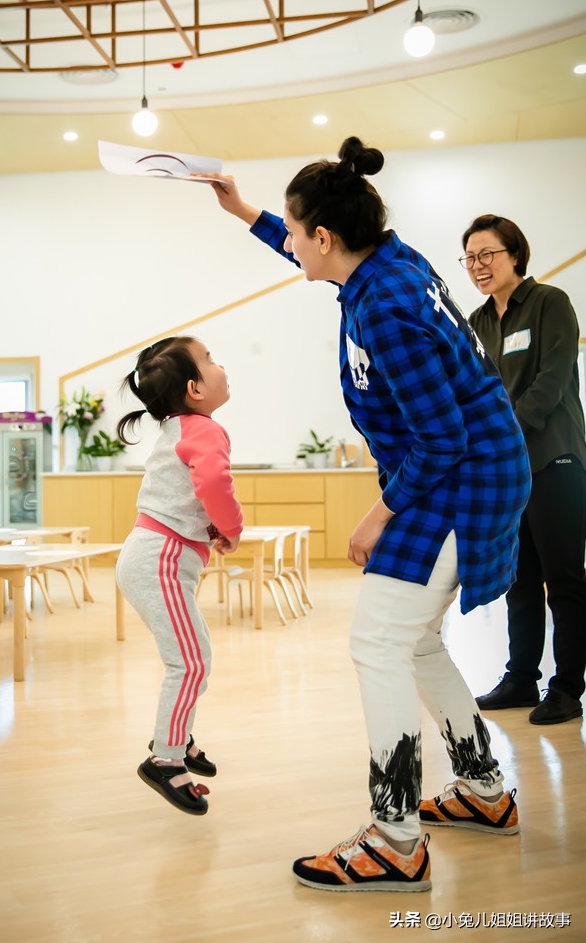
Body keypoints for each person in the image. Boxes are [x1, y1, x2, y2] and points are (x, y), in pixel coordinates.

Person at [199, 136, 531, 893]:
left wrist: (374, 517)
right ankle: (482, 791)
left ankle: (394, 837)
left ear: (324, 235)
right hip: (471, 464)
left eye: (292, 228)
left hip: (463, 474)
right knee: (408, 641)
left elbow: (441, 439)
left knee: (378, 639)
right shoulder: (384, 263)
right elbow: (320, 260)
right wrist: (245, 212)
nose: (290, 242)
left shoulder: (382, 306)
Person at [463, 214, 586, 725]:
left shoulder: (549, 303)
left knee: (564, 582)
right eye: (470, 258)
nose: (478, 266)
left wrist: (501, 435)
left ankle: (567, 688)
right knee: (519, 580)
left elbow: (551, 383)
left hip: (554, 461)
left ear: (515, 254)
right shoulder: (478, 322)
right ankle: (521, 678)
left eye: (487, 254)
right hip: (508, 473)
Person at [115, 335, 243, 816]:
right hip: (160, 559)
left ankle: (178, 734)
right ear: (194, 388)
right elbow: (212, 482)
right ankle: (166, 759)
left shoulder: (180, 428)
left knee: (191, 655)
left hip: (154, 555)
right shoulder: (205, 429)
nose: (220, 364)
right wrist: (230, 527)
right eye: (211, 359)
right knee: (189, 662)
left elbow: (188, 490)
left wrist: (208, 525)